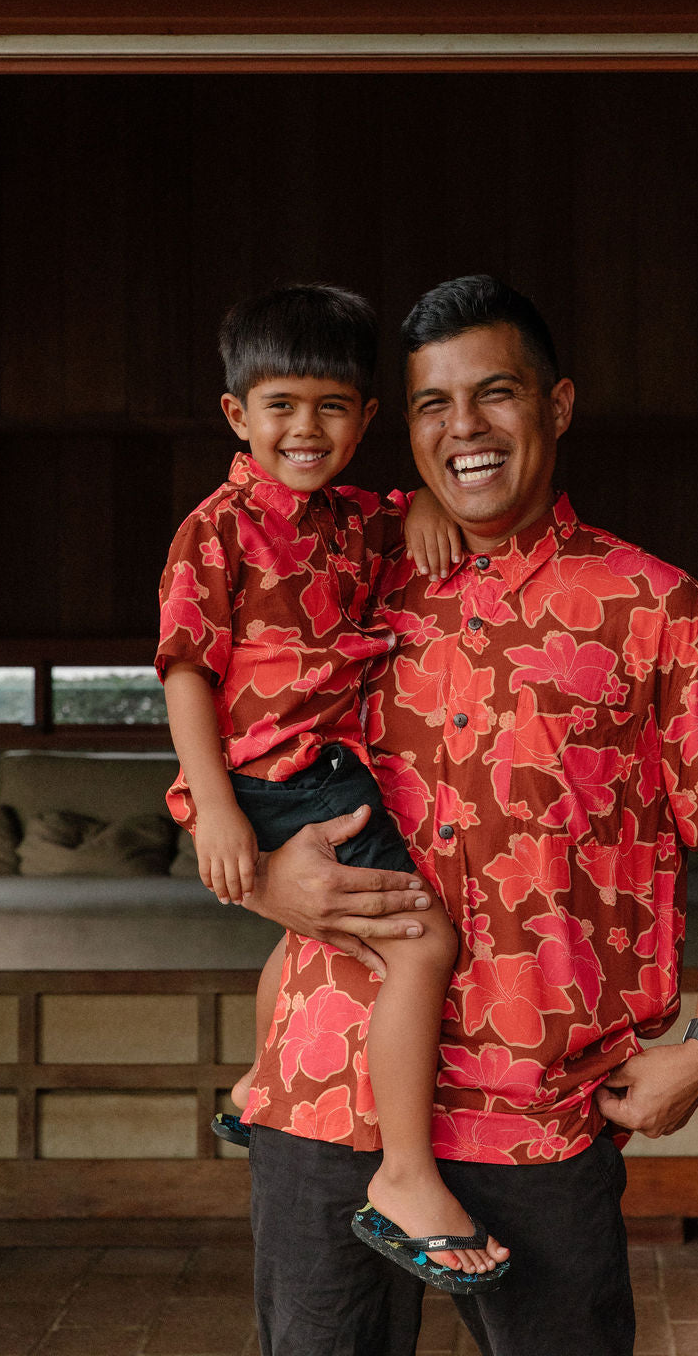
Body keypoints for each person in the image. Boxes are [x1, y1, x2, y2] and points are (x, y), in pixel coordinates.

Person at [242, 274, 698, 1356]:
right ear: (405, 428)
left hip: (538, 1106)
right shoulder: (341, 586)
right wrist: (270, 884)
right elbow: (231, 773)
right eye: (433, 404)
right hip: (326, 1086)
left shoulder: (659, 612)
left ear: (557, 405)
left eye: (494, 394)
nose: (465, 428)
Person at [155, 283, 509, 1288]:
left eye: (330, 407)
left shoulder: (352, 518)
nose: (304, 429)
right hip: (272, 778)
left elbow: (409, 511)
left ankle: (253, 1083)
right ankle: (405, 1175)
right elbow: (186, 669)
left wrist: (429, 502)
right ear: (238, 415)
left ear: (365, 418)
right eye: (281, 406)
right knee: (421, 942)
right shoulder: (217, 529)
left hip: (318, 768)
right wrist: (216, 810)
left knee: (308, 932)